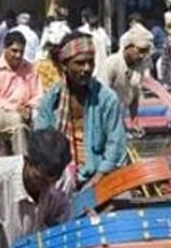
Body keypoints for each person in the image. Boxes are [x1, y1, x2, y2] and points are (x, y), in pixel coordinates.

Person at [35, 34, 128, 187]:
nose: (86, 68)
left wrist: (98, 178)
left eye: (90, 62)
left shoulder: (106, 98)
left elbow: (116, 144)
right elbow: (42, 143)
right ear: (65, 65)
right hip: (60, 176)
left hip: (100, 175)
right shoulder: (51, 101)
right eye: (79, 63)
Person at [0, 30, 40, 119]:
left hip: (28, 112)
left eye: (21, 51)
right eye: (14, 51)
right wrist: (14, 108)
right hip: (2, 113)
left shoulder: (30, 68)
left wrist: (28, 107)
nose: (18, 55)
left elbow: (38, 95)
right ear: (5, 48)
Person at [96, 29, 150, 119]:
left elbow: (134, 96)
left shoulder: (138, 67)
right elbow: (101, 96)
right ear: (128, 46)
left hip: (121, 115)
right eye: (140, 50)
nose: (141, 55)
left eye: (145, 52)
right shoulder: (112, 63)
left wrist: (134, 118)